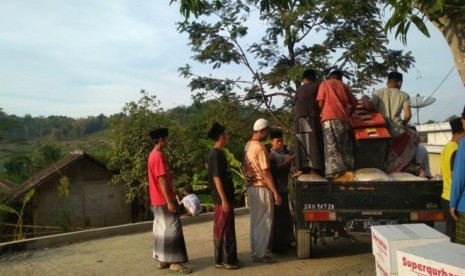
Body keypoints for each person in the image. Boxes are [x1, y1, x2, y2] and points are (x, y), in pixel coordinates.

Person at [147, 127, 192, 274]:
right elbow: (162, 181)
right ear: (161, 140)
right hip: (163, 199)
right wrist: (170, 201)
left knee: (161, 229)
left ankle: (162, 260)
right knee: (174, 229)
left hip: (156, 200)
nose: (168, 141)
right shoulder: (158, 156)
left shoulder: (152, 155)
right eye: (167, 138)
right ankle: (175, 262)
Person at [243, 118, 282, 263]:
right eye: (267, 132)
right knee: (264, 221)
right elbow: (266, 172)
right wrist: (276, 192)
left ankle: (256, 251)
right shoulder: (260, 147)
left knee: (255, 221)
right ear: (261, 131)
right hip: (261, 187)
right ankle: (260, 254)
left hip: (251, 188)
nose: (268, 135)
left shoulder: (247, 145)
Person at [363, 71, 418, 173]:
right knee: (394, 161)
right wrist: (404, 123)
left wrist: (365, 99)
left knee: (380, 159)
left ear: (388, 82)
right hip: (397, 132)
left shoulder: (379, 92)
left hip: (381, 132)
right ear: (399, 83)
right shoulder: (404, 95)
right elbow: (408, 115)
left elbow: (369, 106)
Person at [206, 122, 239, 270]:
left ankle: (224, 259)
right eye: (226, 133)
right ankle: (226, 260)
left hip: (225, 197)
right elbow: (217, 178)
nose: (228, 136)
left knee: (226, 227)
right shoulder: (215, 155)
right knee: (224, 228)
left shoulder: (219, 154)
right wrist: (224, 199)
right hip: (222, 198)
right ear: (221, 136)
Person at [316, 70, 357, 181]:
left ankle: (334, 173)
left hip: (329, 118)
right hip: (343, 119)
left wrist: (318, 113)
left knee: (331, 145)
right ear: (340, 78)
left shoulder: (325, 83)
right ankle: (348, 170)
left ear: (330, 77)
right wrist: (350, 114)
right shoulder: (344, 85)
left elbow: (320, 101)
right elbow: (354, 102)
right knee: (345, 145)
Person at [267, 129, 295, 253]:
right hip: (277, 190)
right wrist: (288, 161)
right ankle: (277, 246)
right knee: (278, 220)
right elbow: (275, 170)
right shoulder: (271, 155)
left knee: (286, 218)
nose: (280, 143)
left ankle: (286, 243)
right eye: (277, 141)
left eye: (281, 141)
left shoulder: (282, 153)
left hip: (284, 189)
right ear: (271, 142)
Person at [293, 69, 325, 175]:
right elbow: (321, 100)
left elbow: (295, 102)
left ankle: (301, 167)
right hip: (311, 114)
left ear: (304, 79)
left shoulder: (300, 88)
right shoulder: (318, 85)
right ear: (314, 78)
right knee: (313, 140)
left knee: (302, 139)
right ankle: (315, 166)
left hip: (299, 115)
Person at [441, 117, 465, 242]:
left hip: (446, 196)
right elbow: (456, 176)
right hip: (454, 200)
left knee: (450, 235)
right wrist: (454, 203)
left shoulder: (446, 148)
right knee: (456, 240)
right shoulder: (457, 149)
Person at [450, 106, 465, 245]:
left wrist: (453, 202)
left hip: (463, 206)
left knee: (461, 253)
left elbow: (459, 177)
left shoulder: (463, 145)